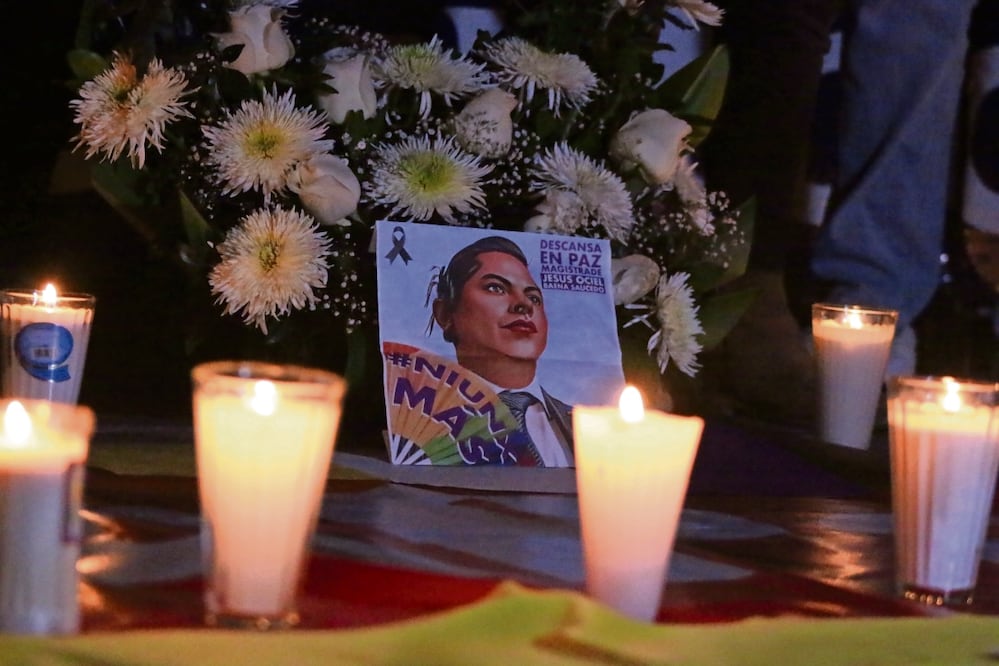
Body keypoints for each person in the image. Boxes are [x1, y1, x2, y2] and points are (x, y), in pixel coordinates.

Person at [429, 235, 574, 466]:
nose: (524, 305)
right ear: (445, 314)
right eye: (495, 288)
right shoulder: (421, 423)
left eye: (534, 297)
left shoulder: (586, 425)